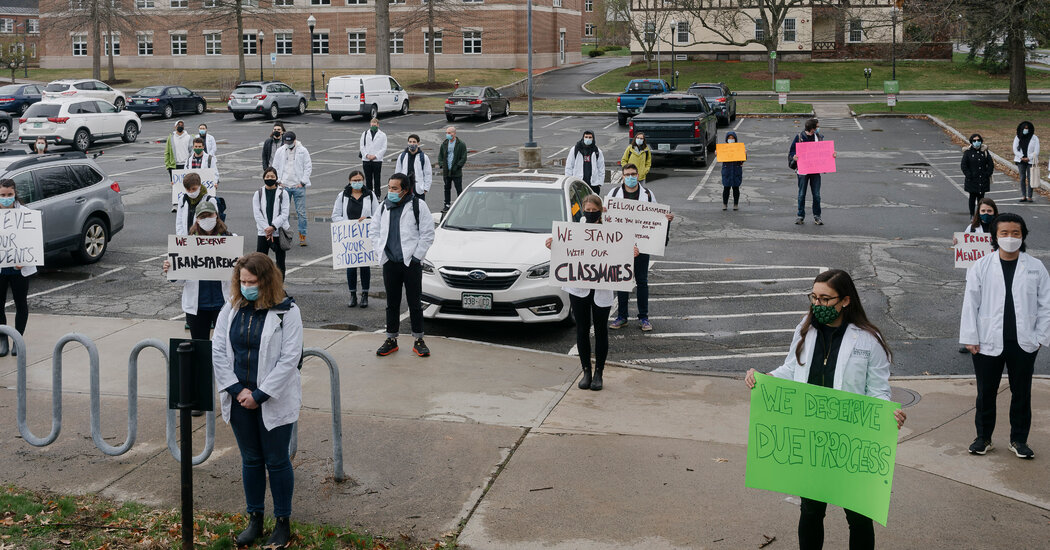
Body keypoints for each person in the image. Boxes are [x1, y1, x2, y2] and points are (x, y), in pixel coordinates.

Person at [745, 269, 906, 550]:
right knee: (810, 511)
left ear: (845, 301)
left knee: (858, 514)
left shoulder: (869, 340)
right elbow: (792, 369)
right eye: (814, 298)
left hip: (851, 439)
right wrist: (765, 379)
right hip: (812, 436)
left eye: (825, 299)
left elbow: (878, 391)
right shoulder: (805, 329)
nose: (817, 305)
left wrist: (887, 414)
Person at [212, 252, 302, 549]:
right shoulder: (232, 308)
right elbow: (220, 352)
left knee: (276, 461)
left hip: (272, 399)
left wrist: (260, 395)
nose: (246, 286)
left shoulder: (288, 312)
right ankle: (255, 519)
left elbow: (290, 360)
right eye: (242, 281)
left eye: (252, 281)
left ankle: (282, 522)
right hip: (240, 399)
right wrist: (238, 391)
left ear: (266, 281)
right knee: (251, 460)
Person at [959, 212, 1050, 459]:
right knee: (986, 392)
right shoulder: (981, 266)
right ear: (995, 237)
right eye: (1004, 233)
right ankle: (983, 437)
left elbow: (1046, 304)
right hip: (987, 341)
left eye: (1015, 233)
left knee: (1022, 393)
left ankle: (1019, 440)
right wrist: (970, 337)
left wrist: (1041, 336)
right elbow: (971, 303)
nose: (1010, 238)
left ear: (1023, 236)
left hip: (1024, 342)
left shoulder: (1035, 267)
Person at [546, 194, 637, 391]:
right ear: (582, 211)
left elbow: (621, 251)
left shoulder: (610, 232)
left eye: (593, 211)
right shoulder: (574, 230)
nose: (589, 214)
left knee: (601, 330)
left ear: (600, 211)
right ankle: (586, 370)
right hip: (579, 289)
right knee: (582, 329)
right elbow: (564, 249)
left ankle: (599, 373)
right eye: (586, 211)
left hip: (602, 289)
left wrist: (631, 251)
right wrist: (553, 244)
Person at [370, 173, 435, 358]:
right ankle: (391, 339)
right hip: (390, 262)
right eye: (389, 187)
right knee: (392, 303)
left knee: (414, 303)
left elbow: (428, 233)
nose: (390, 191)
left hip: (411, 263)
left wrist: (416, 257)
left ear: (405, 190)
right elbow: (374, 230)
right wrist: (380, 251)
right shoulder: (383, 207)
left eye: (394, 188)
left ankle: (419, 340)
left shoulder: (418, 206)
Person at [607, 163, 674, 333]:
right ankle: (622, 317)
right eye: (627, 174)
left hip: (642, 246)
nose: (631, 177)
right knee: (622, 282)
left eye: (633, 174)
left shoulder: (648, 195)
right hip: (621, 244)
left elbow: (656, 218)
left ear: (638, 175)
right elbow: (606, 219)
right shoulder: (614, 194)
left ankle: (644, 317)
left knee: (642, 281)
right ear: (622, 176)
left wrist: (666, 219)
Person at [164, 200, 232, 340]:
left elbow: (237, 274)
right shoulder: (187, 244)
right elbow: (179, 279)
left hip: (223, 303)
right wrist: (171, 270)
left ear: (217, 216)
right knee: (199, 346)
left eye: (210, 215)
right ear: (197, 220)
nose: (207, 219)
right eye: (202, 217)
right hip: (197, 306)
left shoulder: (230, 240)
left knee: (225, 345)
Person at [953, 198, 999, 354]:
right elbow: (964, 246)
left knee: (992, 308)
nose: (986, 214)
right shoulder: (972, 228)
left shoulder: (999, 228)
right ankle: (970, 340)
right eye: (983, 211)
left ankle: (991, 339)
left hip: (994, 275)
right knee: (972, 308)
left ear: (994, 212)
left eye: (989, 211)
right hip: (975, 275)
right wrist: (957, 242)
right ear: (978, 212)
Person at [332, 170, 379, 309]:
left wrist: (368, 219)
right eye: (354, 180)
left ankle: (365, 295)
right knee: (351, 267)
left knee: (365, 266)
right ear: (349, 181)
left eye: (359, 180)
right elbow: (335, 215)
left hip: (364, 236)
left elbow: (377, 215)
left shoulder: (370, 195)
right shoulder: (342, 196)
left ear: (363, 181)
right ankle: (352, 295)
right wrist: (347, 223)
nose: (357, 182)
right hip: (349, 236)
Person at [0, 179, 37, 358]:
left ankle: (18, 340)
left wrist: (24, 259)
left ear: (15, 194)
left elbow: (33, 240)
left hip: (19, 269)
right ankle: (2, 340)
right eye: (2, 195)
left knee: (20, 303)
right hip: (1, 269)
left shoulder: (26, 214)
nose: (6, 198)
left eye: (9, 195)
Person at [788, 118, 834, 226]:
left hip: (815, 170)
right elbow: (792, 152)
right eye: (817, 126)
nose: (818, 128)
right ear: (812, 128)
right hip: (803, 171)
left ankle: (817, 216)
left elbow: (824, 152)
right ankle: (800, 216)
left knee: (816, 195)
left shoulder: (818, 137)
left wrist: (832, 155)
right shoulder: (799, 137)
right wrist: (794, 157)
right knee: (801, 194)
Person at [272, 131, 313, 246]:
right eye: (286, 141)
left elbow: (308, 166)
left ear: (295, 140)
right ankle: (284, 235)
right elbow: (275, 166)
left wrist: (303, 182)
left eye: (290, 141)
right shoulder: (280, 151)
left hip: (298, 186)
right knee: (283, 213)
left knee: (301, 212)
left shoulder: (303, 150)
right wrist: (278, 181)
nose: (288, 143)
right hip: (284, 186)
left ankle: (302, 236)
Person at [253, 168, 291, 278]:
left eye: (272, 177)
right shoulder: (258, 193)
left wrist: (273, 227)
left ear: (276, 178)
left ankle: (279, 288)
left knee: (280, 263)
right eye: (267, 177)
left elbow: (284, 213)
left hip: (279, 232)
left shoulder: (283, 193)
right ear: (264, 178)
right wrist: (266, 228)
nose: (270, 178)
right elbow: (257, 213)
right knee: (260, 261)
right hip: (263, 232)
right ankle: (260, 286)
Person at [174, 172, 218, 236]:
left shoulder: (210, 200)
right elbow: (179, 222)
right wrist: (181, 237)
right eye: (188, 190)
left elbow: (215, 221)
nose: (191, 192)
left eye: (194, 189)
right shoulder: (182, 200)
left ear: (200, 185)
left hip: (202, 240)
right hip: (185, 239)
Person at [961, 133, 994, 217]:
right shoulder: (967, 152)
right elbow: (964, 165)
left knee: (981, 198)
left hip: (982, 179)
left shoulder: (985, 152)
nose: (976, 142)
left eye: (978, 140)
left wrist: (987, 174)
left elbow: (990, 164)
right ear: (971, 142)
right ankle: (972, 214)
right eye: (974, 140)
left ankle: (980, 214)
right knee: (972, 197)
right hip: (972, 179)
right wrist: (969, 175)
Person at [438, 126, 467, 212]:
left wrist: (458, 166)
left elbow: (463, 157)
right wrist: (442, 164)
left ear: (454, 133)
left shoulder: (461, 144)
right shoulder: (444, 144)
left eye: (449, 133)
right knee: (447, 188)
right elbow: (440, 156)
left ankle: (461, 205)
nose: (447, 134)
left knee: (458, 189)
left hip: (456, 172)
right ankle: (447, 204)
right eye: (446, 133)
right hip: (447, 171)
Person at [164, 120, 192, 212]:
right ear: (175, 127)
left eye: (182, 125)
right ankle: (175, 204)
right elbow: (167, 152)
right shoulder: (171, 138)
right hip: (174, 165)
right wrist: (168, 165)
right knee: (175, 186)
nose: (180, 126)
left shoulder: (189, 137)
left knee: (187, 185)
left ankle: (187, 203)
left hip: (185, 165)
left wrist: (190, 163)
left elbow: (191, 151)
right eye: (178, 125)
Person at [394, 134, 433, 199]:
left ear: (418, 143)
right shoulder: (402, 156)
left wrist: (425, 189)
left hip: (418, 190)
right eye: (410, 142)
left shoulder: (423, 157)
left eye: (414, 142)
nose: (412, 144)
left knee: (418, 208)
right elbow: (397, 172)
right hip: (405, 188)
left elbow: (428, 174)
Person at [359, 118, 387, 197]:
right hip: (366, 160)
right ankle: (369, 194)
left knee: (377, 179)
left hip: (377, 160)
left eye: (375, 125)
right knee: (368, 179)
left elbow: (384, 148)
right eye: (372, 124)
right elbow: (362, 146)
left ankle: (377, 195)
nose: (373, 126)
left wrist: (375, 156)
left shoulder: (382, 135)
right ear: (370, 124)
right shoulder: (364, 134)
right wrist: (367, 155)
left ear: (378, 125)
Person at [1013, 121, 1039, 202]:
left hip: (1030, 161)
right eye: (1024, 128)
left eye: (1027, 128)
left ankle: (1030, 196)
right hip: (1020, 161)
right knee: (1022, 178)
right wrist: (1021, 157)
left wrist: (1029, 157)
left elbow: (1037, 150)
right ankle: (1023, 195)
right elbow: (1014, 149)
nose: (1025, 130)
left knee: (1030, 178)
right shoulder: (1017, 137)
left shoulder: (1034, 138)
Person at [720, 131, 744, 211]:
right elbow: (720, 158)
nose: (731, 139)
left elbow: (742, 160)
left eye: (732, 138)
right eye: (729, 138)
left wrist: (744, 154)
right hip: (727, 170)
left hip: (736, 170)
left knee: (736, 188)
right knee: (726, 188)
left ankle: (735, 204)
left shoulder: (738, 148)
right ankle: (724, 203)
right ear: (727, 139)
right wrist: (717, 153)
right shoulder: (724, 148)